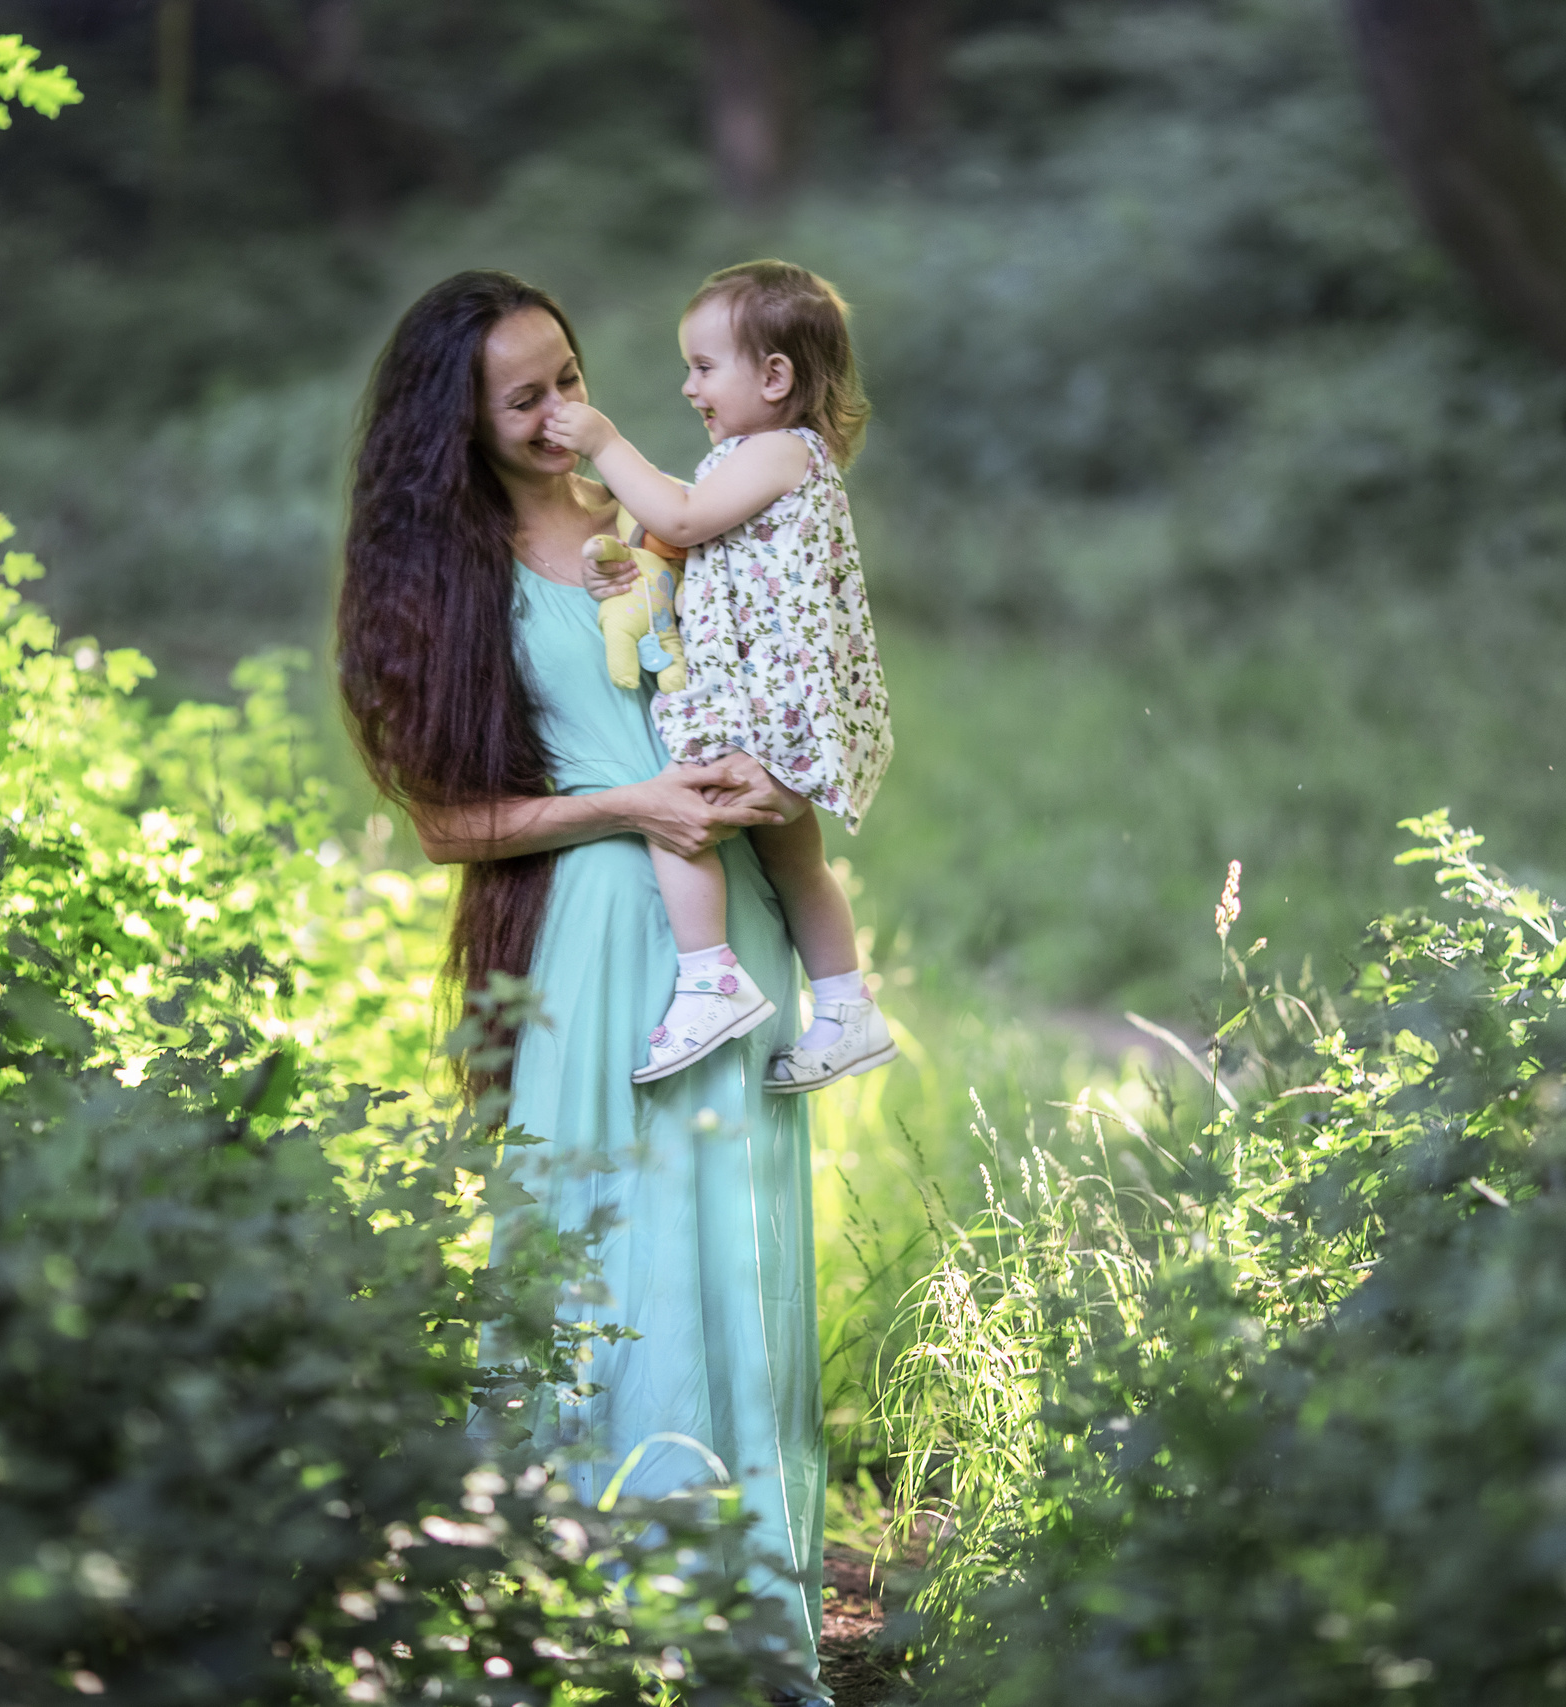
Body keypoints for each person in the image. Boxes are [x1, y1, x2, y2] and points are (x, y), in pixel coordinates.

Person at [334, 270, 832, 1705]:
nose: (565, 411)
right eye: (526, 397)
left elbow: (787, 664)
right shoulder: (441, 573)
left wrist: (759, 777)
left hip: (724, 925)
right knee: (604, 1250)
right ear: (460, 425)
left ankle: (741, 1618)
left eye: (569, 375)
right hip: (597, 937)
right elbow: (448, 821)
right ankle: (574, 1614)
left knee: (730, 1248)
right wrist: (631, 805)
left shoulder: (664, 504)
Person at [544, 260, 898, 1094]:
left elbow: (680, 516)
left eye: (704, 367)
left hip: (761, 704)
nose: (686, 386)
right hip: (782, 701)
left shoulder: (780, 451)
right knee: (796, 858)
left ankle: (710, 978)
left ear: (775, 376)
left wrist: (602, 441)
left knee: (679, 808)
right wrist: (626, 571)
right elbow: (674, 526)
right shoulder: (761, 458)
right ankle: (848, 1006)